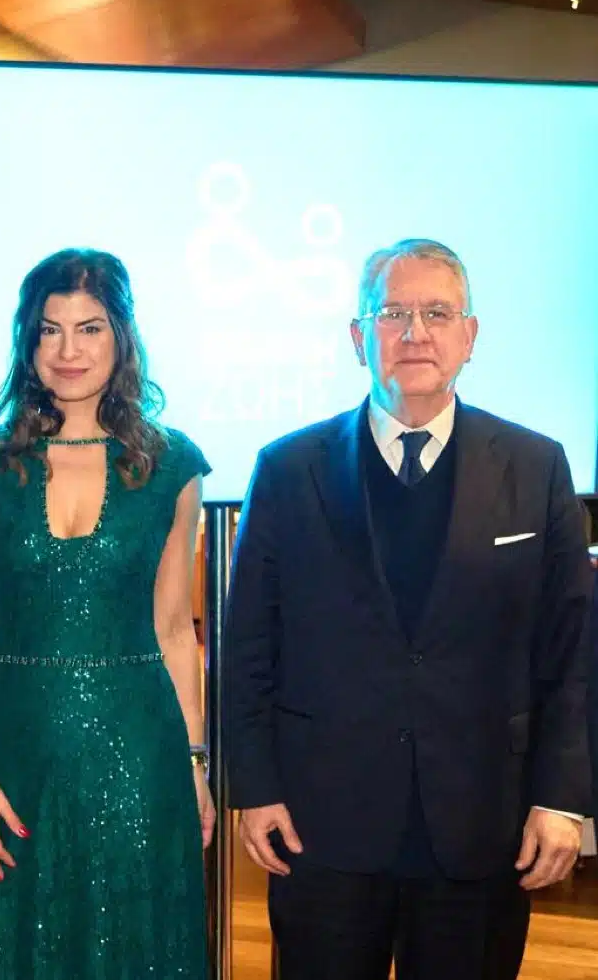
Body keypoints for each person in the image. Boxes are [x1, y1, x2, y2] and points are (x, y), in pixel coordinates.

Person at [225, 238, 592, 980]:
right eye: (392, 314)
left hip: (482, 824)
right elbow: (249, 646)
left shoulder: (537, 465)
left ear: (470, 335)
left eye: (437, 313)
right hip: (322, 826)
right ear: (358, 338)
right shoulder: (288, 468)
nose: (415, 332)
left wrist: (561, 799)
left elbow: (571, 652)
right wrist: (254, 788)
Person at [0, 248, 213, 979]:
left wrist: (194, 763)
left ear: (121, 337)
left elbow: (173, 631)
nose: (68, 350)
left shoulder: (171, 465)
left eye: (89, 328)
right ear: (28, 342)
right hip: (16, 756)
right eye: (50, 329)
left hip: (142, 759)